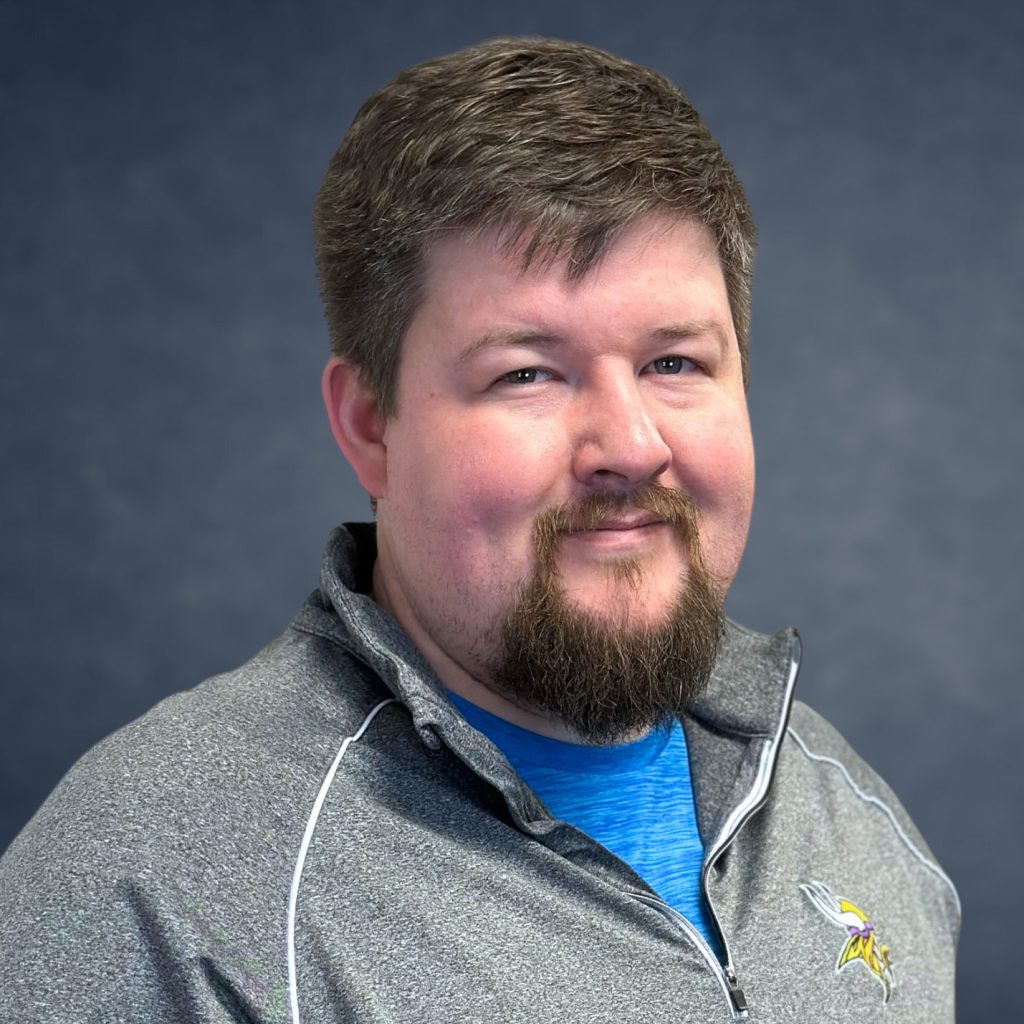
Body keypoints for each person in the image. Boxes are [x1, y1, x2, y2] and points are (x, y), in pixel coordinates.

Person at [0, 37, 958, 1023]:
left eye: (675, 362)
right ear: (370, 423)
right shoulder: (161, 888)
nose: (630, 446)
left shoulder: (850, 817)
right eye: (527, 372)